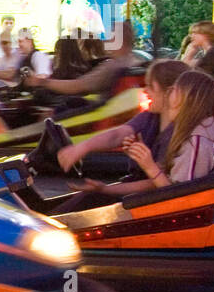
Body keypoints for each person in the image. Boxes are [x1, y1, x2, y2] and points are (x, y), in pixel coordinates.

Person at [54, 60, 194, 203]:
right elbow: (117, 135)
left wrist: (105, 189)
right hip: (135, 190)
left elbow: (153, 184)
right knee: (83, 198)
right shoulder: (150, 117)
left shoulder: (180, 132)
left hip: (149, 202)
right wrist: (82, 147)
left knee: (88, 200)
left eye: (150, 86)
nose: (145, 91)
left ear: (169, 93)